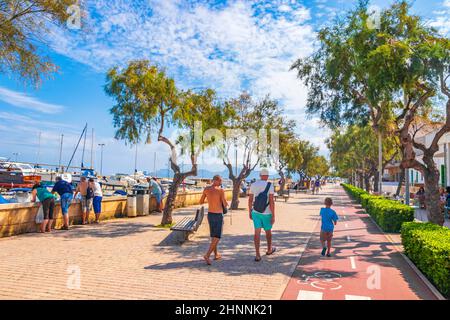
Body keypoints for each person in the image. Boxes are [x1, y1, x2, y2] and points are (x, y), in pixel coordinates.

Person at [248, 169, 276, 262]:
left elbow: (250, 200)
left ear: (260, 175)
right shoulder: (270, 185)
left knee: (257, 233)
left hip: (255, 212)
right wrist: (273, 215)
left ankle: (257, 255)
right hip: (267, 213)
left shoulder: (253, 184)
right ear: (267, 176)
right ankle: (269, 249)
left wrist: (249, 212)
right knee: (268, 232)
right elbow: (271, 201)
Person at [200, 175, 228, 265]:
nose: (221, 183)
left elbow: (200, 202)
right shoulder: (220, 190)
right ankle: (207, 255)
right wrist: (225, 202)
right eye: (220, 181)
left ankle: (216, 254)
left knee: (213, 236)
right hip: (218, 215)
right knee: (217, 236)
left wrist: (210, 200)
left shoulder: (206, 189)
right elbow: (225, 203)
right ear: (215, 181)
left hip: (210, 214)